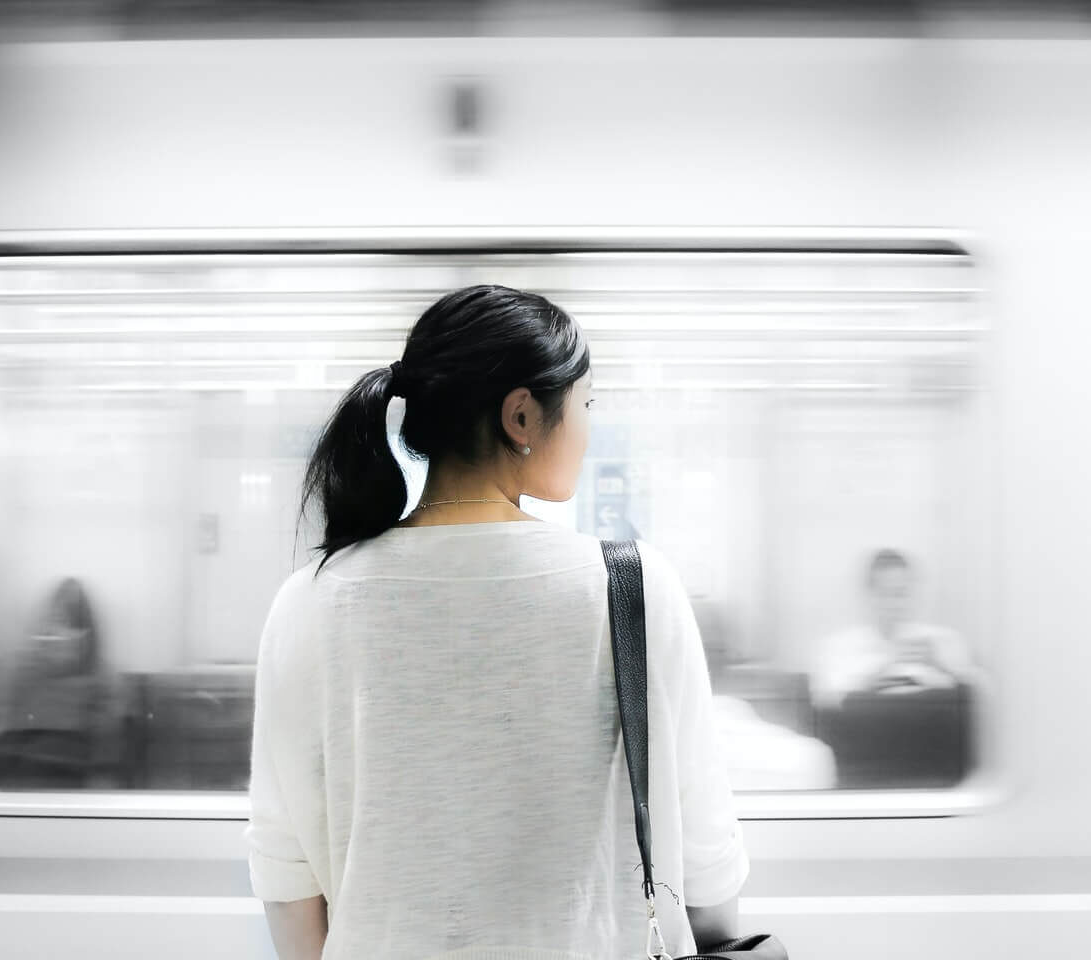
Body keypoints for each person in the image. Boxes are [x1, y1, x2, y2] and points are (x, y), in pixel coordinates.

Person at [244, 285, 750, 960]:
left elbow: (286, 869)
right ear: (521, 416)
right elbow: (706, 856)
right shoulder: (631, 586)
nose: (588, 426)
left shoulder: (309, 599)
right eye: (586, 404)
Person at [0, 577, 123, 790]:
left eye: (69, 624)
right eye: (53, 622)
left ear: (86, 635)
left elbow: (106, 762)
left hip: (75, 795)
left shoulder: (103, 682)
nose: (57, 633)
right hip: (19, 790)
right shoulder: (20, 672)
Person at [810, 549, 983, 711]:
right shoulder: (839, 647)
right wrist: (882, 669)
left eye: (901, 594)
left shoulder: (939, 640)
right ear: (869, 595)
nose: (894, 604)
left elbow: (983, 694)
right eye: (884, 594)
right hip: (862, 734)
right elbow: (823, 700)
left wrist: (940, 665)